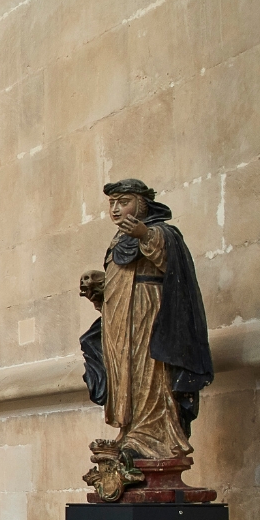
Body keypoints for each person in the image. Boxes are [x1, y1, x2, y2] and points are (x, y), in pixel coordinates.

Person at [78, 179, 213, 493]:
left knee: (149, 377)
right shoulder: (116, 241)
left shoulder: (163, 232)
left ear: (142, 202)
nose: (116, 209)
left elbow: (169, 262)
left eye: (123, 201)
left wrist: (143, 234)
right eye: (112, 203)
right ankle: (130, 434)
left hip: (149, 318)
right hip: (120, 323)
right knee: (126, 379)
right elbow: (124, 279)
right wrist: (102, 285)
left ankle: (153, 438)